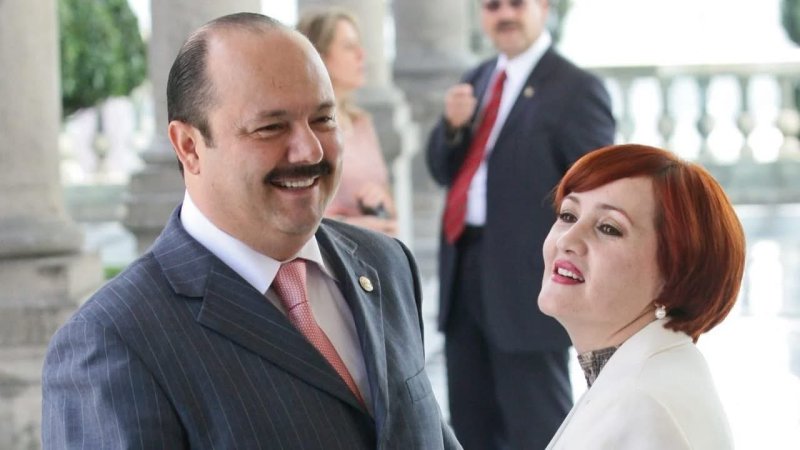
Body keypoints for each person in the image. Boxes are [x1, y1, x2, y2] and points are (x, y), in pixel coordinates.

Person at [41, 13, 460, 450]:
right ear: (189, 147)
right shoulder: (113, 341)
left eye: (323, 119)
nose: (309, 150)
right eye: (271, 127)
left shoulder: (386, 264)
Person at [425, 0, 615, 448]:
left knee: (538, 427)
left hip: (530, 283)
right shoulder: (477, 79)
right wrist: (451, 128)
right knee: (469, 425)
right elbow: (442, 170)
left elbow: (599, 191)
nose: (504, 14)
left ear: (543, 8)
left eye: (516, 3)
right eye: (493, 6)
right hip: (465, 272)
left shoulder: (576, 88)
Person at [539, 143, 744, 449]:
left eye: (608, 228)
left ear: (675, 272)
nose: (567, 239)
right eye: (568, 215)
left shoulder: (641, 404)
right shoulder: (650, 371)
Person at [297, 7, 397, 236]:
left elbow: (387, 201)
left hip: (373, 250)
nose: (361, 55)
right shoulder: (305, 129)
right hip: (331, 250)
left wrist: (383, 202)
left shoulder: (360, 122)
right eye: (349, 47)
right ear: (320, 56)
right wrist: (354, 227)